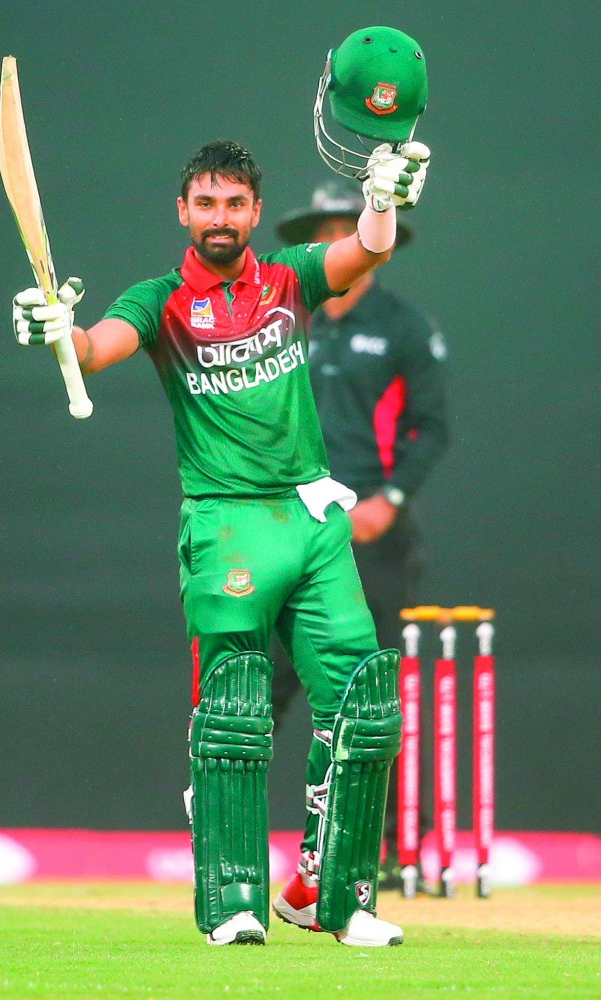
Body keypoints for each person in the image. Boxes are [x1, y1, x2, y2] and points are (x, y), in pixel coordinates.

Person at [10, 41, 431, 947]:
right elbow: (96, 349)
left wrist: (382, 199)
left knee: (364, 703)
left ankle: (333, 894)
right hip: (227, 524)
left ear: (253, 212)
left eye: (235, 204)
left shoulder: (287, 282)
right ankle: (233, 903)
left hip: (313, 520)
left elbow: (360, 254)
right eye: (206, 203)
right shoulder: (159, 301)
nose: (221, 217)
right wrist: (57, 330)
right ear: (183, 210)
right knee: (236, 712)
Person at [272, 179, 449, 890]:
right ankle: (233, 839)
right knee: (265, 679)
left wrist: (389, 501)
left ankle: (391, 843)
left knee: (369, 687)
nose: (338, 239)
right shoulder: (282, 318)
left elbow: (431, 428)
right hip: (284, 531)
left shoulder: (405, 326)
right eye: (326, 229)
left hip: (370, 535)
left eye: (351, 227)